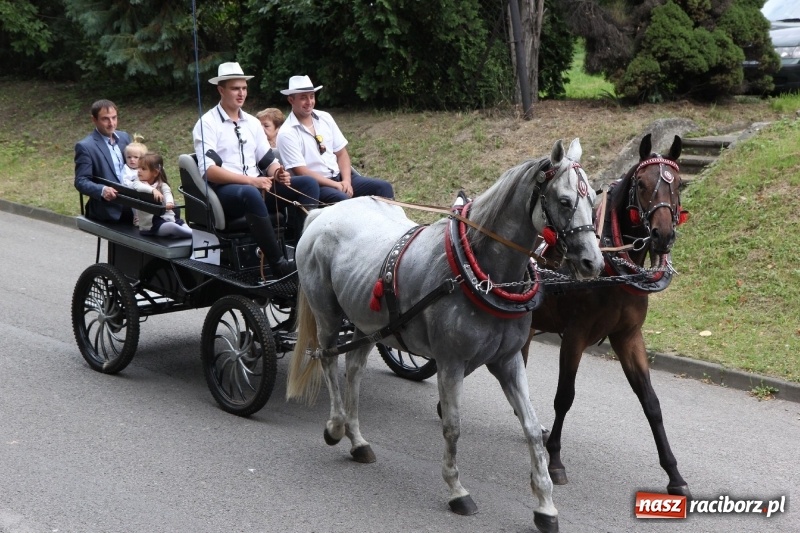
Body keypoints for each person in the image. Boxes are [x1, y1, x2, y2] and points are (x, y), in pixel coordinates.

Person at [192, 62, 319, 277]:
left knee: (308, 184)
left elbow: (268, 160)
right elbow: (209, 171)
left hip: (257, 188)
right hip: (226, 193)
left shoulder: (252, 123)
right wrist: (251, 181)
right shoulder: (207, 124)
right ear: (221, 90)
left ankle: (302, 256)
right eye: (235, 88)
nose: (241, 93)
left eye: (244, 88)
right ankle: (278, 264)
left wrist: (278, 172)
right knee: (250, 192)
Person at [276, 75, 394, 203]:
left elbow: (341, 153)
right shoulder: (287, 133)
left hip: (340, 177)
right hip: (318, 186)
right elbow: (302, 171)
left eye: (312, 96)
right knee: (343, 200)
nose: (309, 102)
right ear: (291, 100)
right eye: (303, 98)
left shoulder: (325, 118)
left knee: (383, 187)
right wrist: (336, 185)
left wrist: (346, 181)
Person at [74, 99, 132, 222]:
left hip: (134, 205)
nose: (111, 123)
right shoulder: (86, 146)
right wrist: (102, 190)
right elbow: (81, 181)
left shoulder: (125, 138)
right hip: (108, 209)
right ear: (94, 120)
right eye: (105, 119)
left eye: (114, 118)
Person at [132, 152, 192, 239]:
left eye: (143, 168)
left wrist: (169, 202)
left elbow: (167, 193)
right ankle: (192, 235)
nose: (139, 170)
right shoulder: (138, 182)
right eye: (138, 167)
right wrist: (153, 190)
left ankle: (193, 234)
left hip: (167, 218)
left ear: (155, 173)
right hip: (151, 225)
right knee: (172, 227)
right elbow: (139, 187)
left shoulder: (161, 184)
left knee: (182, 224)